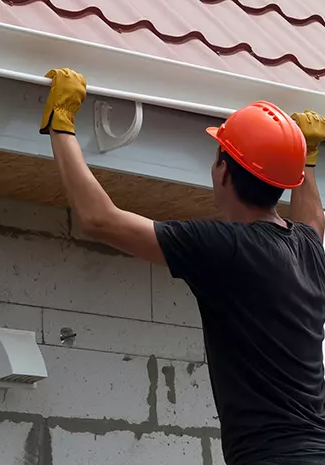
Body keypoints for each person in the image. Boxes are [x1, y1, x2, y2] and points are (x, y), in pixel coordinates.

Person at [41, 68, 325, 465]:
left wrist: (61, 123)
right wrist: (307, 160)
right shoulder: (308, 248)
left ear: (223, 169)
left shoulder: (226, 248)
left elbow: (99, 220)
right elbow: (313, 220)